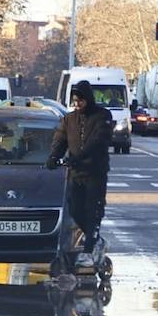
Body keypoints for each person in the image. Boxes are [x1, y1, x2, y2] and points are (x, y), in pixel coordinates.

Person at [47, 80, 112, 268]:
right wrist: (53, 157)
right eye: (75, 102)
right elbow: (60, 140)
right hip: (76, 173)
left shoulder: (102, 116)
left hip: (95, 172)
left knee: (93, 210)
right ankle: (96, 240)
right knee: (75, 209)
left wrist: (80, 156)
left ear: (88, 99)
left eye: (81, 101)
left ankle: (88, 249)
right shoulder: (69, 120)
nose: (78, 105)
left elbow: (100, 140)